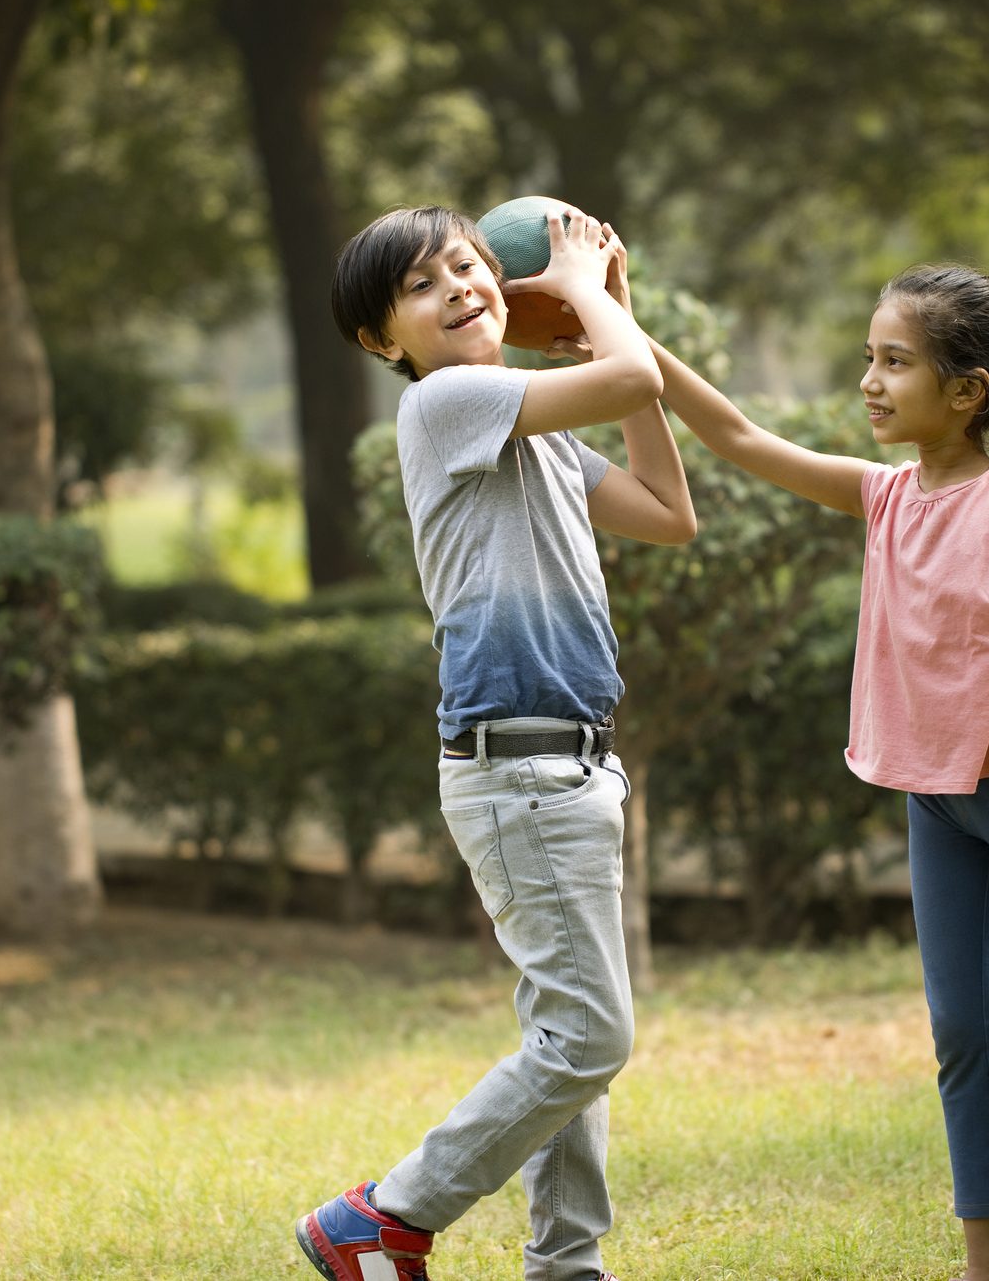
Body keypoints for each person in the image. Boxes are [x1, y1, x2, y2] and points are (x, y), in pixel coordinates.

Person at [591, 264, 989, 1281]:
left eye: (894, 362)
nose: (869, 380)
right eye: (869, 358)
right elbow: (733, 435)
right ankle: (988, 1257)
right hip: (934, 803)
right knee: (960, 1028)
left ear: (967, 392)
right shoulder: (883, 497)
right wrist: (623, 330)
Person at [296, 203, 695, 1281]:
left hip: (568, 761)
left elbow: (668, 508)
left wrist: (613, 314)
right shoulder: (447, 404)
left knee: (567, 1040)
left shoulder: (536, 430)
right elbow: (635, 382)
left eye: (467, 264)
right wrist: (591, 299)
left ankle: (567, 1264)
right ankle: (380, 1214)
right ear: (387, 341)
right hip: (518, 765)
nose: (459, 286)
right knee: (590, 1038)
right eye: (422, 286)